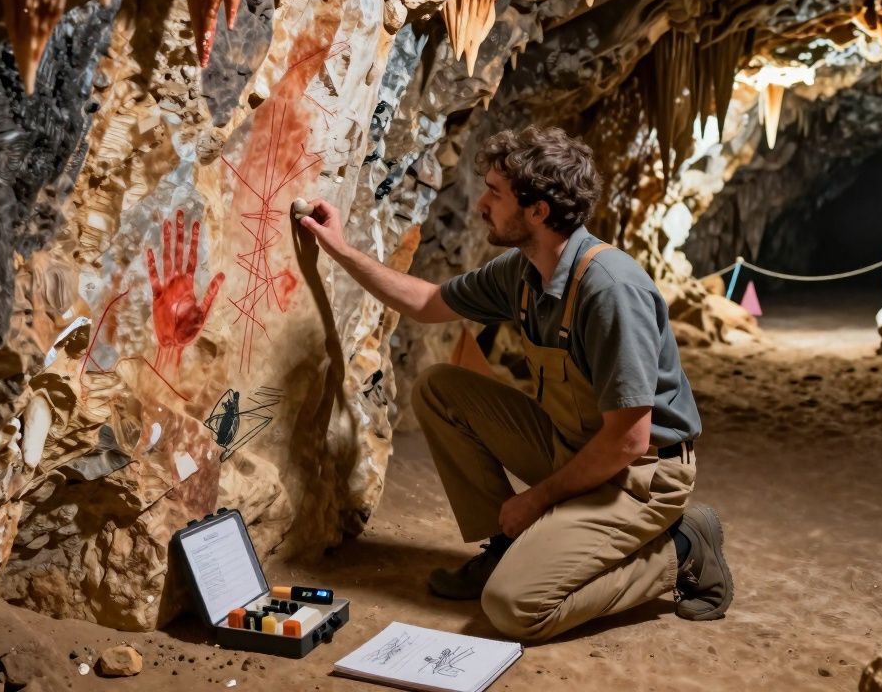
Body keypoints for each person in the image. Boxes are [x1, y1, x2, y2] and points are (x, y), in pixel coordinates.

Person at [296, 125, 732, 641]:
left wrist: (537, 499)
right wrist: (339, 249)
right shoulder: (522, 272)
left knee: (516, 607)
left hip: (639, 475)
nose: (481, 204)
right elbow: (426, 302)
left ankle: (681, 550)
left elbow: (628, 440)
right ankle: (503, 548)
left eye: (495, 193)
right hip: (576, 448)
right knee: (440, 389)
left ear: (538, 211)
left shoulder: (610, 291)